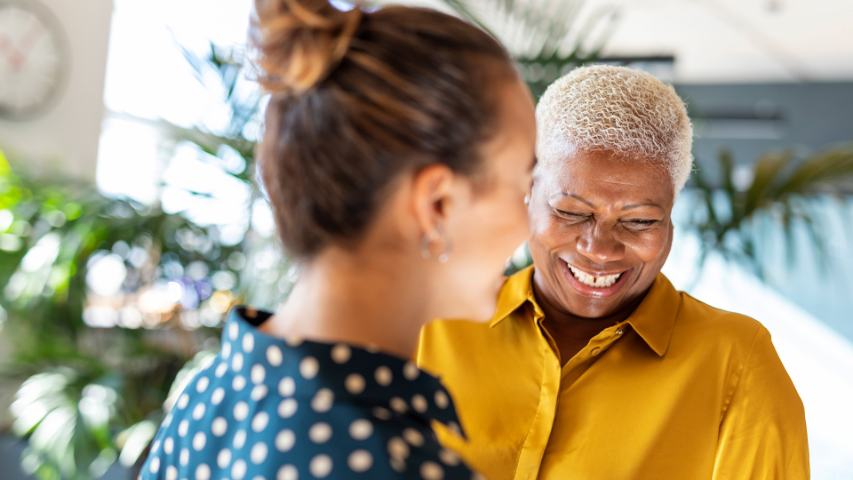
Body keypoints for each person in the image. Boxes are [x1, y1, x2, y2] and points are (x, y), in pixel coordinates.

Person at [140, 0, 536, 478]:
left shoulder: (206, 396)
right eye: (523, 183)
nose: (530, 223)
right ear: (438, 206)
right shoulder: (394, 465)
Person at [417, 65, 809, 479]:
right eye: (570, 211)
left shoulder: (735, 363)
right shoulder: (429, 325)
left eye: (639, 221)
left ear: (671, 219)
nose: (598, 249)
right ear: (527, 195)